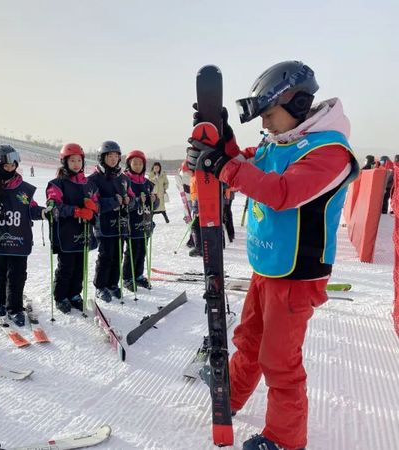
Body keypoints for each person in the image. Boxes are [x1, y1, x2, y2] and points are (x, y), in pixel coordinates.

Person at [186, 61, 359, 450]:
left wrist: (223, 166)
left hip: (298, 275)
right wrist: (222, 141)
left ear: (297, 104)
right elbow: (248, 164)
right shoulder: (280, 141)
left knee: (279, 360)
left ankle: (285, 439)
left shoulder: (330, 152)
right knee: (249, 341)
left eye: (269, 114)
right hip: (269, 266)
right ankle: (229, 397)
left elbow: (281, 193)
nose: (265, 125)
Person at [0, 145, 49, 326]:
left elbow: (30, 208)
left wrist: (43, 213)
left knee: (17, 275)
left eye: (13, 165)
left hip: (19, 240)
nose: (10, 169)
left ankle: (15, 307)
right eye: (6, 166)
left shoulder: (24, 189)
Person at [46, 143, 98, 314]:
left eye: (79, 160)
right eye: (72, 160)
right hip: (66, 233)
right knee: (66, 266)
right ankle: (61, 296)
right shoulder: (57, 184)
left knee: (79, 266)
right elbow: (54, 207)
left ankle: (75, 293)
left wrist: (93, 208)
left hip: (82, 233)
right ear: (64, 162)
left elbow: (97, 203)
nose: (76, 164)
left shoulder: (88, 184)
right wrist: (76, 211)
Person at [87, 141, 136, 303]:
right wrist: (113, 202)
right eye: (110, 156)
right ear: (102, 158)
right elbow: (94, 204)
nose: (113, 159)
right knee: (106, 255)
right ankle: (100, 286)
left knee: (117, 255)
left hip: (120, 224)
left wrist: (129, 201)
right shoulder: (94, 179)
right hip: (104, 225)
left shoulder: (123, 178)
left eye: (116, 156)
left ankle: (113, 284)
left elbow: (132, 200)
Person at [122, 150, 157, 291]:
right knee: (132, 250)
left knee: (142, 250)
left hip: (145, 222)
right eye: (134, 163)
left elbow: (153, 205)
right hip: (132, 223)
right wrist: (136, 200)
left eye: (140, 163)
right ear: (129, 164)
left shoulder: (148, 183)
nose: (137, 166)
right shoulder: (125, 181)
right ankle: (127, 277)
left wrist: (155, 200)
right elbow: (125, 202)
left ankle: (138, 275)